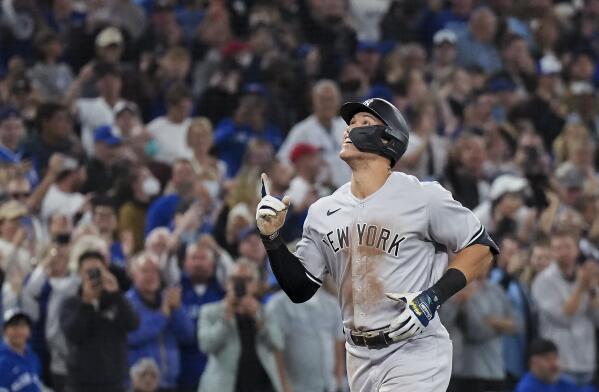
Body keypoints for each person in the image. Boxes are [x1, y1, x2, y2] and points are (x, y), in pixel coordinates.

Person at [256, 97, 499, 391]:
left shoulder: (423, 196)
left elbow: (481, 248)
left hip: (415, 350)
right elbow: (301, 288)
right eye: (350, 123)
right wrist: (271, 238)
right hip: (357, 354)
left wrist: (432, 298)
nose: (349, 129)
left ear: (389, 138)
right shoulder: (323, 211)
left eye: (364, 123)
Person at [197, 260, 285, 392]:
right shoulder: (210, 312)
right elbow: (206, 346)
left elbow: (277, 343)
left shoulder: (265, 311)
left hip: (262, 386)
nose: (241, 284)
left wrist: (257, 317)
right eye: (235, 279)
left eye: (247, 280)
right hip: (224, 386)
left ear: (255, 285)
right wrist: (225, 319)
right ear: (227, 283)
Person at [60, 251, 140, 392]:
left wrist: (116, 294)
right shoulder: (70, 303)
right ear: (79, 274)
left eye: (97, 271)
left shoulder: (116, 300)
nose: (93, 276)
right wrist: (86, 303)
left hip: (115, 382)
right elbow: (73, 334)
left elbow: (133, 324)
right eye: (88, 272)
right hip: (80, 384)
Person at [0, 309, 42, 392]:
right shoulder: (2, 362)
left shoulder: (33, 357)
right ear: (4, 331)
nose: (18, 331)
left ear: (29, 331)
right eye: (14, 326)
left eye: (22, 326)